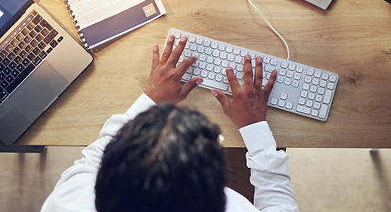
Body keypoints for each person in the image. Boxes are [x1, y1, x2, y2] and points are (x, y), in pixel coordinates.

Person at [41, 34, 299, 212]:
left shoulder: (67, 202)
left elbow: (92, 160)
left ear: (102, 184)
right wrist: (255, 130)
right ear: (219, 195)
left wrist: (150, 99)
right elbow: (279, 205)